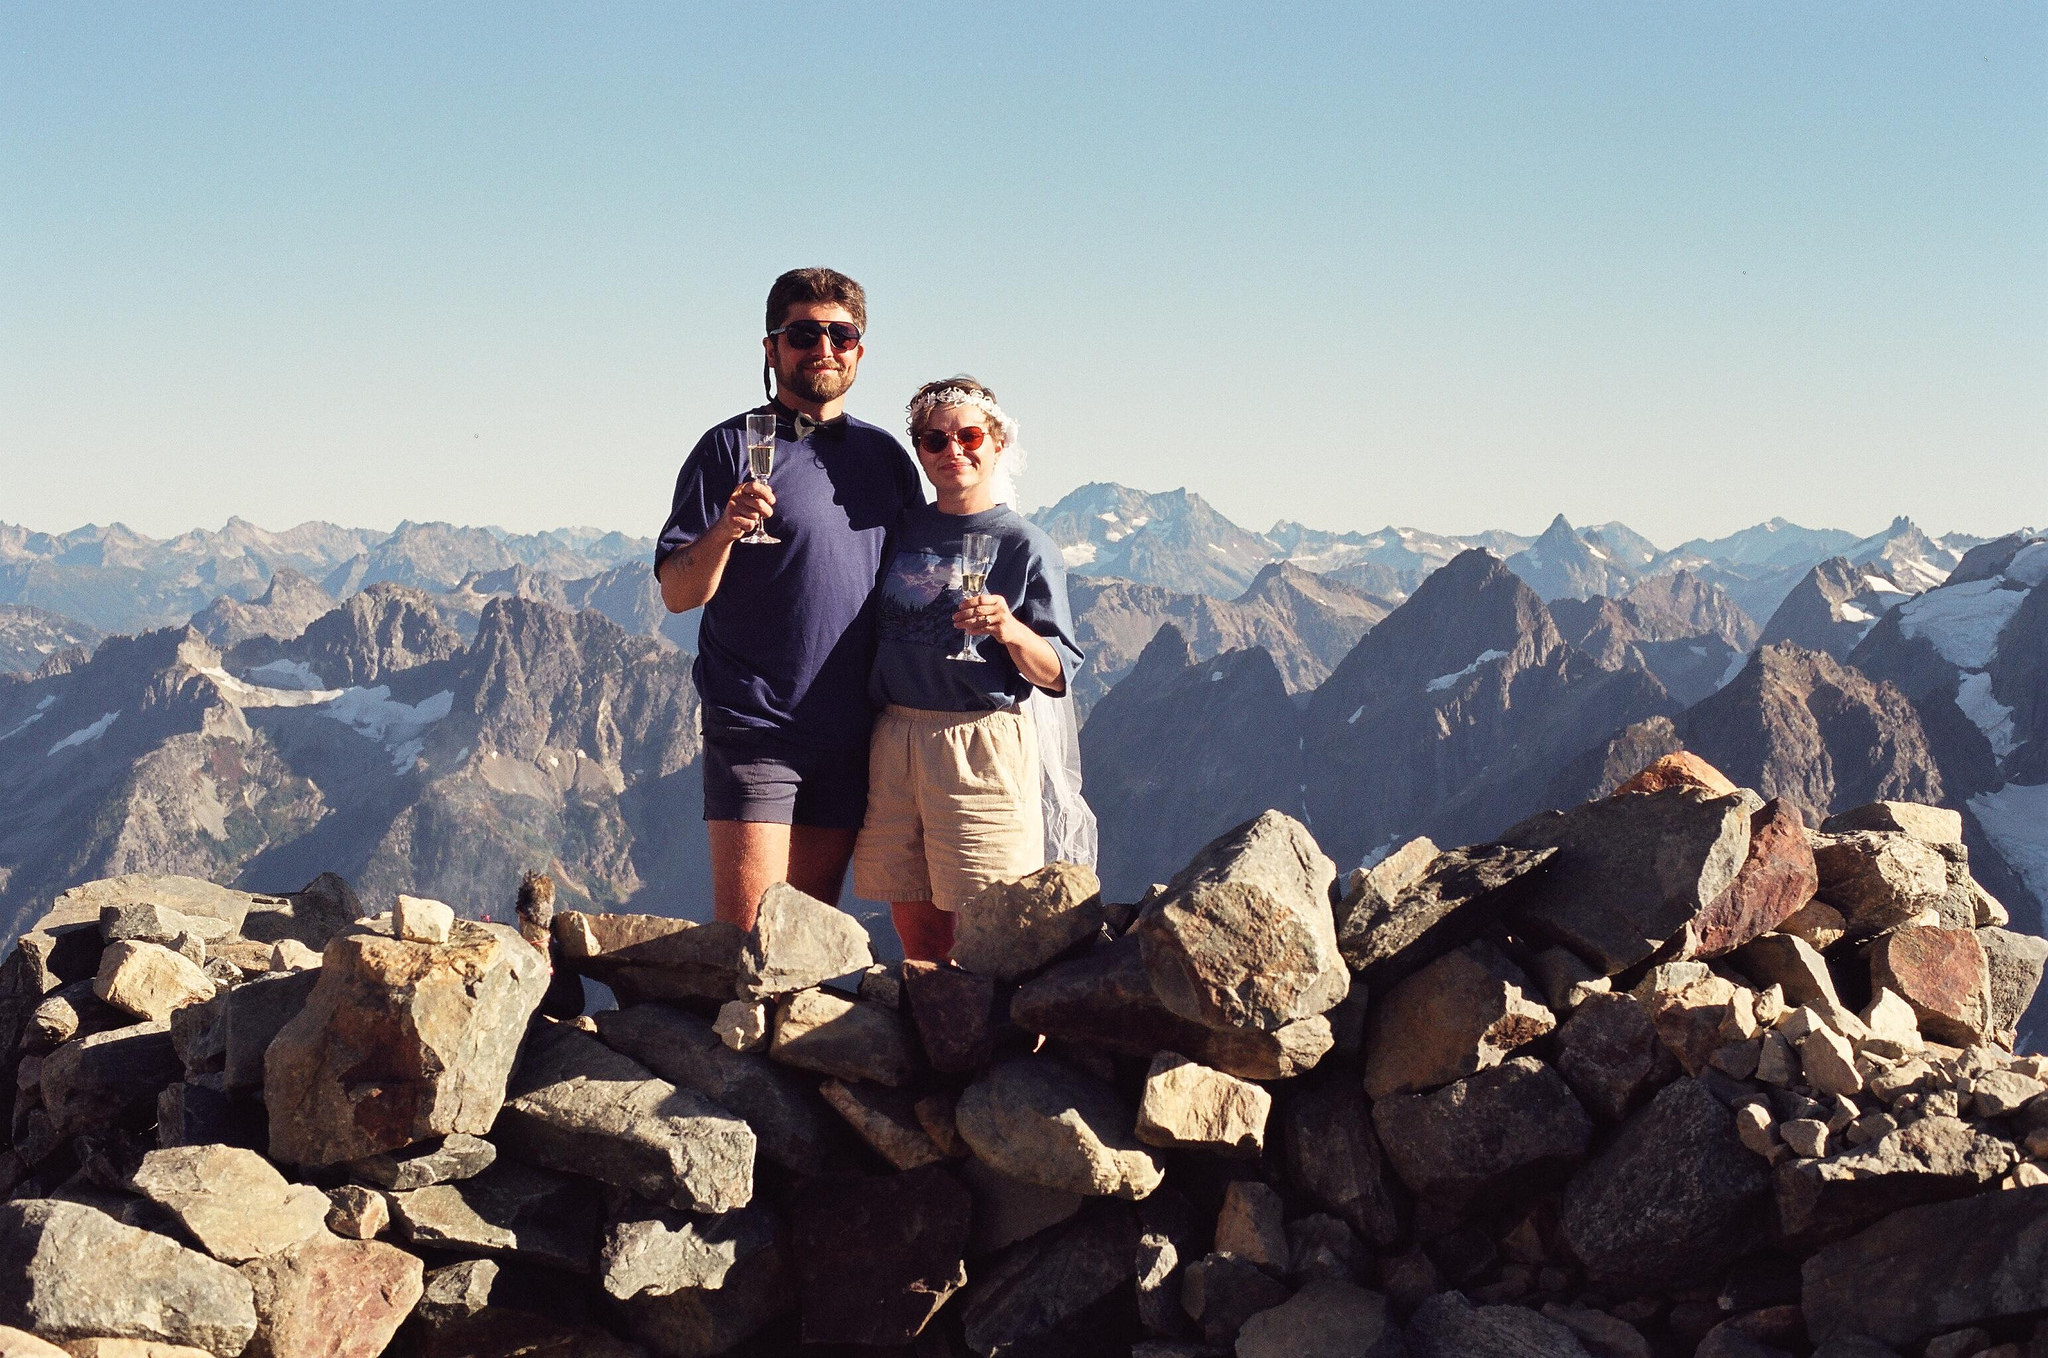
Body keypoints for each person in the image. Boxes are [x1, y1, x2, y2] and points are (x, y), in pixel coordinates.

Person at [655, 269, 923, 929]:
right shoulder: (726, 447)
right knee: (750, 942)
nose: (823, 348)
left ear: (860, 350)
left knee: (806, 941)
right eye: (804, 334)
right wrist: (726, 528)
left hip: (853, 732)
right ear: (772, 348)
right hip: (757, 729)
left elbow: (915, 584)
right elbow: (678, 593)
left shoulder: (886, 457)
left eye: (841, 334)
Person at [852, 377, 1084, 961]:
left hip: (979, 743)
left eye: (969, 436)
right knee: (915, 923)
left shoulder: (1025, 545)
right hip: (895, 736)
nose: (952, 450)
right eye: (934, 440)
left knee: (987, 930)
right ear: (920, 450)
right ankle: (928, 1015)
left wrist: (1010, 629)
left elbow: (1057, 673)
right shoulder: (901, 530)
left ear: (998, 443)